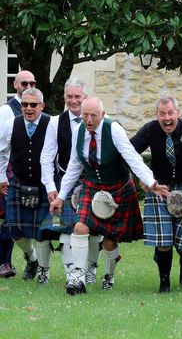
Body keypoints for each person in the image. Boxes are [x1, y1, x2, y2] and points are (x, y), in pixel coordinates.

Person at [50, 96, 169, 295]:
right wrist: (61, 196)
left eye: (93, 116)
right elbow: (74, 165)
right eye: (85, 115)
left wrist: (151, 183)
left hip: (118, 189)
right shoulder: (79, 130)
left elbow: (132, 158)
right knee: (80, 227)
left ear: (103, 115)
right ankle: (78, 278)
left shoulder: (113, 129)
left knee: (109, 242)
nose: (88, 120)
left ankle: (109, 276)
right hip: (92, 187)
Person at [130, 95, 182, 293]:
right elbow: (128, 152)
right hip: (159, 190)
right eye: (162, 114)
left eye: (170, 113)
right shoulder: (149, 129)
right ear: (157, 115)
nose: (166, 118)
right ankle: (164, 282)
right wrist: (142, 176)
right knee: (164, 241)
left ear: (177, 113)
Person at [40, 78, 103, 285]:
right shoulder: (55, 122)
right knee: (66, 229)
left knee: (94, 231)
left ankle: (91, 269)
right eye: (70, 96)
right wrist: (50, 186)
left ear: (84, 97)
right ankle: (72, 273)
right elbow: (47, 156)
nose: (74, 101)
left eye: (78, 96)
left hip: (94, 182)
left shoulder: (103, 119)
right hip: (65, 182)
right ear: (64, 97)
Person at [0, 87, 51, 282]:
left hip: (44, 184)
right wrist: (1, 177)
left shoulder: (51, 123)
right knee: (14, 228)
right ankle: (32, 259)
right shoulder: (11, 124)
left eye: (33, 105)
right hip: (18, 182)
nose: (28, 108)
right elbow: (2, 152)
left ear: (41, 106)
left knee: (42, 232)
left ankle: (43, 272)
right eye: (24, 104)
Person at [0, 70, 36, 279]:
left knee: (24, 220)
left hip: (27, 173)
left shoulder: (38, 111)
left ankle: (31, 259)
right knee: (8, 219)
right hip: (9, 172)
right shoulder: (7, 110)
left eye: (32, 82)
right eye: (24, 83)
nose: (28, 86)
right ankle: (4, 262)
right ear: (15, 85)